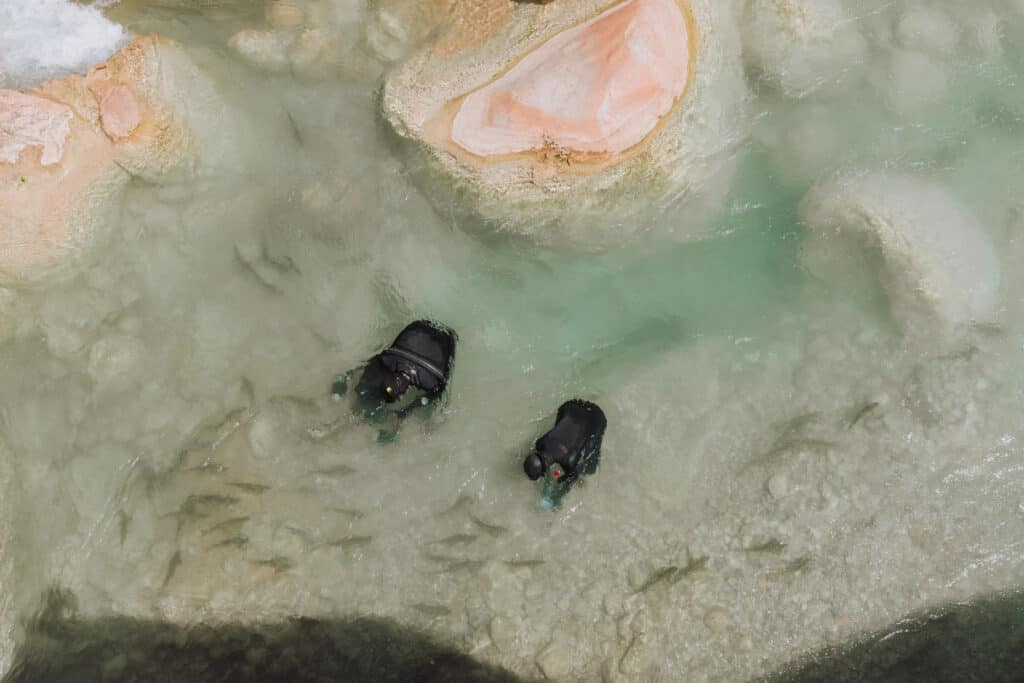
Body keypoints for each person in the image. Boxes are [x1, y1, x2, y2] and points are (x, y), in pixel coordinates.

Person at [331, 320, 456, 442]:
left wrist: (403, 416)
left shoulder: (429, 382)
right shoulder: (390, 361)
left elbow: (435, 397)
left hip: (435, 337)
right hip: (423, 331)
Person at [524, 399, 606, 510]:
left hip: (596, 418)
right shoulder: (541, 443)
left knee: (590, 469)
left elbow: (573, 476)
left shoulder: (568, 460)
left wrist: (559, 496)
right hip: (570, 405)